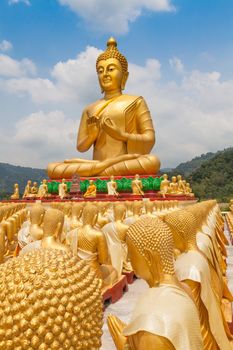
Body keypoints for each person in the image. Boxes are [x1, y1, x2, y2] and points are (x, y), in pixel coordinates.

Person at [47, 37, 160, 179]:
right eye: (100, 71)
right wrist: (91, 136)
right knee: (52, 168)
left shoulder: (136, 101)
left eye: (111, 69)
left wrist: (122, 135)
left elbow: (150, 139)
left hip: (125, 162)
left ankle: (95, 173)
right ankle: (101, 169)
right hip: (102, 164)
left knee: (152, 162)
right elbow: (81, 147)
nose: (105, 74)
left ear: (124, 76)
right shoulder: (89, 109)